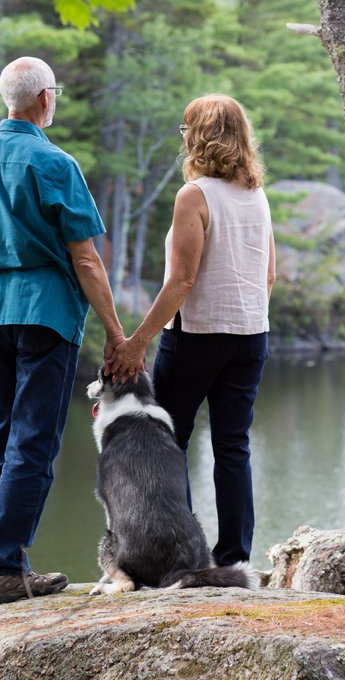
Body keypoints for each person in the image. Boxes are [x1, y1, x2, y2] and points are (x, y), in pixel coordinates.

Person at [0, 56, 126, 605]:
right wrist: (116, 333)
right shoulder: (54, 163)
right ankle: (4, 567)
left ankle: (6, 563)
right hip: (46, 314)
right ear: (46, 99)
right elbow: (86, 259)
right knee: (32, 441)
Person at [107, 94, 275, 568]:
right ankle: (235, 558)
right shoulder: (256, 195)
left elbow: (182, 280)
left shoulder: (194, 195)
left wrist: (137, 342)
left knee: (169, 443)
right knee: (232, 446)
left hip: (197, 336)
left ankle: (179, 554)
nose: (182, 138)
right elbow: (269, 276)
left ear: (200, 137)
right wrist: (245, 320)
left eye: (185, 130)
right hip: (250, 337)